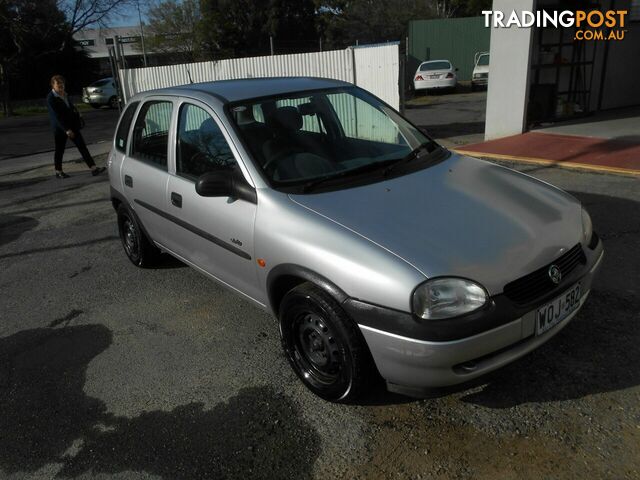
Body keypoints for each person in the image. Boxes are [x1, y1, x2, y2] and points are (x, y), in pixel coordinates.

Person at [46, 74, 105, 179]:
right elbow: (56, 116)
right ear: (53, 85)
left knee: (82, 147)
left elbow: (70, 107)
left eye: (62, 83)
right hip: (61, 129)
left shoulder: (65, 94)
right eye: (58, 84)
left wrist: (77, 114)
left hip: (72, 125)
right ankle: (58, 171)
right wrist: (66, 129)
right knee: (60, 149)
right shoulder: (51, 98)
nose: (61, 85)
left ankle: (93, 168)